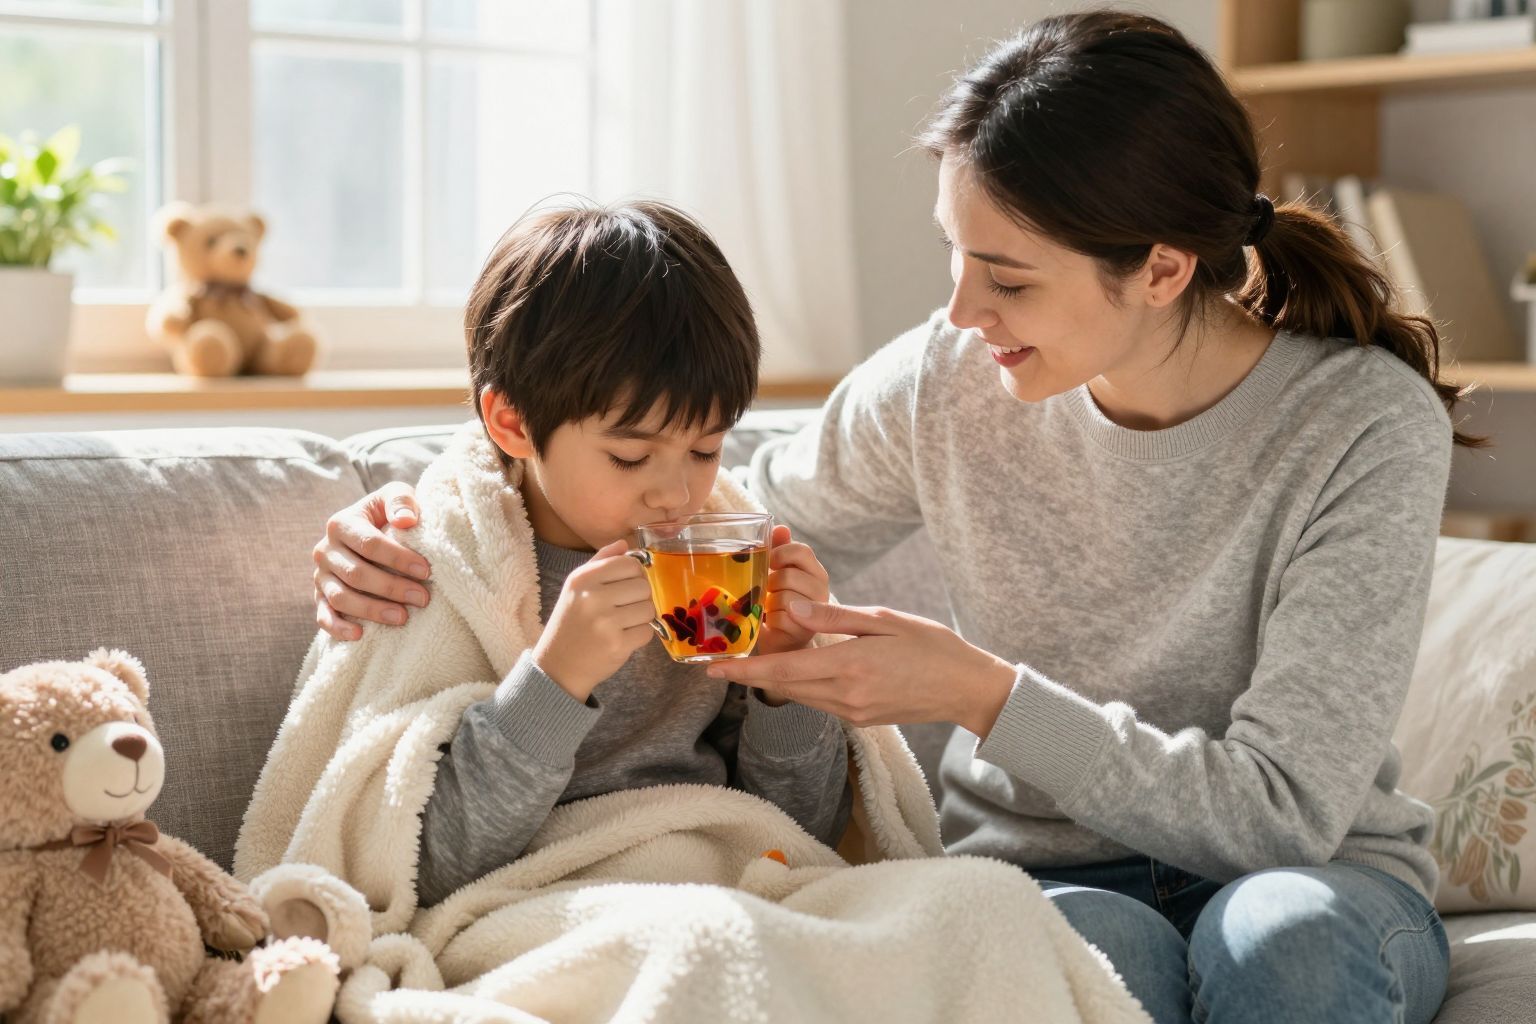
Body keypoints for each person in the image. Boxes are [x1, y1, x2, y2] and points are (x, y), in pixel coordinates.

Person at [305, 12, 1471, 1022]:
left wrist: (982, 694)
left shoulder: (1362, 424)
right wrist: (427, 513)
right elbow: (697, 485)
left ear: (1163, 270)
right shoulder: (949, 380)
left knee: (1281, 944)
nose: (960, 312)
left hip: (1310, 876)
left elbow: (1282, 815)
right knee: (1084, 954)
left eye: (1007, 277)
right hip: (1053, 873)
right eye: (955, 255)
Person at [252, 200, 850, 911]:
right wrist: (556, 680)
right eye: (630, 456)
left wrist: (786, 682)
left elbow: (804, 835)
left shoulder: (716, 555)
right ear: (512, 422)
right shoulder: (430, 569)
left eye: (706, 449)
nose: (676, 494)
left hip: (720, 881)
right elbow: (414, 866)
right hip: (540, 905)